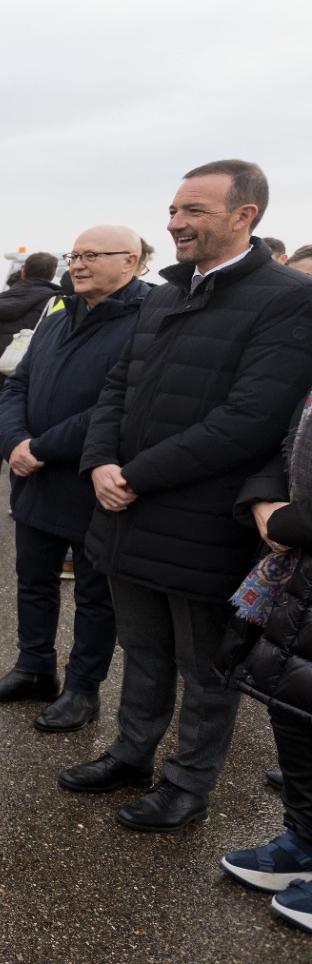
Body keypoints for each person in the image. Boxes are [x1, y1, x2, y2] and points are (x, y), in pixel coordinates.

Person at [61, 159, 312, 833]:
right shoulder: (165, 295)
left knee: (206, 670)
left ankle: (186, 785)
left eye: (192, 212)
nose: (174, 224)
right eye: (172, 210)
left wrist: (136, 474)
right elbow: (116, 387)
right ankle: (130, 753)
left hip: (200, 522)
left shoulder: (287, 297)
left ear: (244, 216)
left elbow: (249, 419)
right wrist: (100, 463)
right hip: (125, 512)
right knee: (142, 653)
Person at [0, 225, 152, 732]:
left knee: (96, 596)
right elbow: (19, 384)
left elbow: (116, 405)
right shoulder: (58, 313)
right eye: (74, 255)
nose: (77, 264)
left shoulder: (149, 319)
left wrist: (41, 447)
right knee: (33, 580)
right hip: (36, 477)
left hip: (91, 478)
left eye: (92, 255)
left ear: (131, 261)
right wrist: (13, 443)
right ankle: (34, 669)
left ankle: (81, 689)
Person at [216, 387, 312, 934]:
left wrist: (284, 523)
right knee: (294, 709)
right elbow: (283, 446)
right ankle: (303, 842)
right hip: (297, 583)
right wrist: (262, 502)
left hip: (297, 543)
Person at [0, 255, 61, 523]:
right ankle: (18, 501)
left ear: (25, 272)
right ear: (52, 275)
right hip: (29, 379)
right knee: (28, 439)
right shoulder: (55, 302)